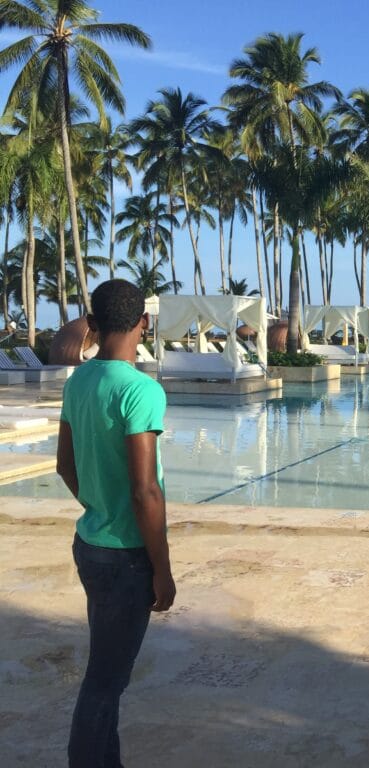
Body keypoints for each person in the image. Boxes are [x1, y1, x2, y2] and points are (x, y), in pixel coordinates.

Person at [57, 279, 176, 768]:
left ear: (93, 325)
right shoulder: (140, 391)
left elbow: (65, 465)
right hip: (126, 558)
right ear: (143, 323)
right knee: (105, 684)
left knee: (107, 672)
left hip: (90, 543)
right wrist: (162, 569)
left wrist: (97, 504)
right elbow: (146, 490)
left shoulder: (79, 381)